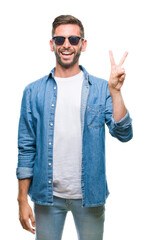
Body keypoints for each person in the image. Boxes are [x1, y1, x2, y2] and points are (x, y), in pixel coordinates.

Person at [16, 15, 133, 240]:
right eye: (60, 39)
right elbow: (26, 148)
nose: (66, 44)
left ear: (83, 44)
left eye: (73, 39)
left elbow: (124, 134)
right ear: (52, 45)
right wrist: (22, 200)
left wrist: (116, 92)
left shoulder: (101, 88)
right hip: (46, 196)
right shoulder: (33, 92)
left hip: (90, 195)